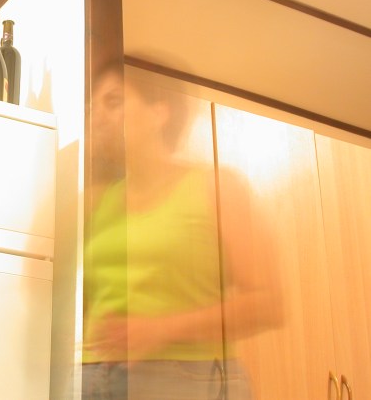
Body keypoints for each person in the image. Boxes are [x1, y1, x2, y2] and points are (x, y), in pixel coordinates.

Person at [82, 63, 282, 400]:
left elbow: (268, 304)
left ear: (159, 113)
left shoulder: (216, 187)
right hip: (92, 378)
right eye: (92, 108)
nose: (96, 117)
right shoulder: (97, 202)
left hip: (185, 378)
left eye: (113, 102)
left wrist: (161, 329)